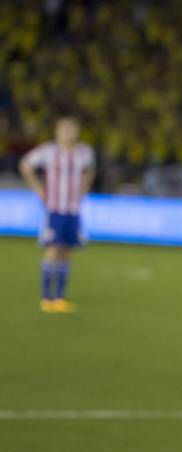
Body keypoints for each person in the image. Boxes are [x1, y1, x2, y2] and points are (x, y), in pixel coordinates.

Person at [19, 117, 95, 313]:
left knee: (67, 252)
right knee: (53, 250)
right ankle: (46, 297)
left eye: (72, 129)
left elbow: (90, 171)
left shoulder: (84, 152)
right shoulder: (48, 151)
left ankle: (60, 297)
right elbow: (25, 165)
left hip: (73, 210)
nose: (69, 132)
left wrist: (83, 190)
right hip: (54, 209)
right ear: (57, 131)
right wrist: (38, 188)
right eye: (65, 129)